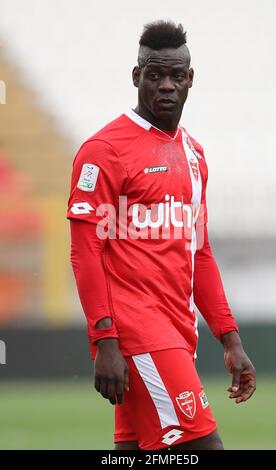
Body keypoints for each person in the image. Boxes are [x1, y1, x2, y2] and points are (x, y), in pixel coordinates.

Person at [67, 20, 256, 451]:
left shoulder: (194, 154)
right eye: (155, 75)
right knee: (204, 447)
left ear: (191, 80)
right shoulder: (105, 151)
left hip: (177, 330)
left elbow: (200, 252)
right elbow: (84, 252)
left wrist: (230, 338)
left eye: (177, 76)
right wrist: (105, 341)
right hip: (139, 335)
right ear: (137, 78)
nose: (166, 85)